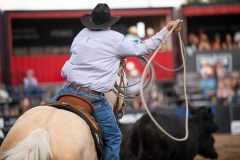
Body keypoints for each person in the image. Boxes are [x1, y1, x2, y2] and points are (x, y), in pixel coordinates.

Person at [51, 3, 181, 160]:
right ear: (109, 23)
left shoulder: (81, 34)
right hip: (93, 97)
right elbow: (144, 47)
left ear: (92, 21)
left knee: (47, 115)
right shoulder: (116, 40)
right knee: (114, 138)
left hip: (67, 90)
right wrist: (167, 29)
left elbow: (67, 66)